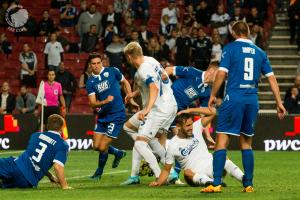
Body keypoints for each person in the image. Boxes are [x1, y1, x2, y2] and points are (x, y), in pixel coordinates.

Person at [201, 21, 286, 193]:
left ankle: (216, 183)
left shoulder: (230, 49)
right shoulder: (260, 52)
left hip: (234, 98)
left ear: (233, 33)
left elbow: (221, 73)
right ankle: (248, 184)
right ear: (247, 32)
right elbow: (271, 78)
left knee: (222, 140)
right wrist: (279, 102)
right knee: (246, 142)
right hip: (252, 100)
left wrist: (212, 95)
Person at [123, 42, 177, 182]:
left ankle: (161, 176)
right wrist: (135, 94)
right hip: (170, 104)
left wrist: (146, 109)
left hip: (158, 109)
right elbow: (164, 77)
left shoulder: (142, 69)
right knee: (129, 127)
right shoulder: (151, 60)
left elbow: (154, 88)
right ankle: (170, 172)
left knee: (140, 143)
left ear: (129, 57)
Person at [149, 110, 244, 187]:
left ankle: (244, 179)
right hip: (196, 175)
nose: (191, 128)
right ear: (178, 127)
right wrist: (158, 183)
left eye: (191, 124)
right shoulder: (173, 145)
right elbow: (166, 169)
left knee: (223, 156)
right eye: (187, 126)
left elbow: (213, 112)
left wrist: (190, 110)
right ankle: (211, 183)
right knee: (187, 173)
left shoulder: (197, 126)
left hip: (213, 167)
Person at [86, 53, 138, 180]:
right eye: (94, 63)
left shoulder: (112, 71)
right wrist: (104, 102)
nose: (97, 65)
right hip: (103, 115)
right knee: (96, 146)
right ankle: (118, 153)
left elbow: (125, 82)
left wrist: (130, 97)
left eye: (99, 62)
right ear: (90, 65)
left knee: (103, 147)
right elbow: (92, 103)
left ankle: (99, 172)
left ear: (102, 62)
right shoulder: (90, 82)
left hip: (117, 114)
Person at [0, 114, 72, 189]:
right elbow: (56, 166)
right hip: (26, 180)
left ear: (47, 126)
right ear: (62, 128)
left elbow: (33, 159)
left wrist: (50, 175)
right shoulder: (62, 144)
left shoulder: (35, 135)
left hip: (14, 165)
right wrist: (64, 186)